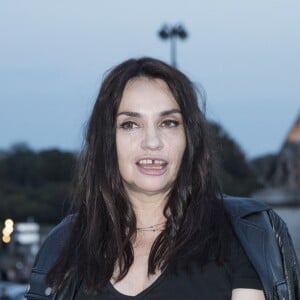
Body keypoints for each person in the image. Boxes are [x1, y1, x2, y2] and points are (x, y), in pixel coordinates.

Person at [25, 57, 299, 299]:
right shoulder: (64, 244)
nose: (152, 142)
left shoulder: (241, 236)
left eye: (168, 123)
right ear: (106, 141)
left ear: (189, 138)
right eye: (130, 125)